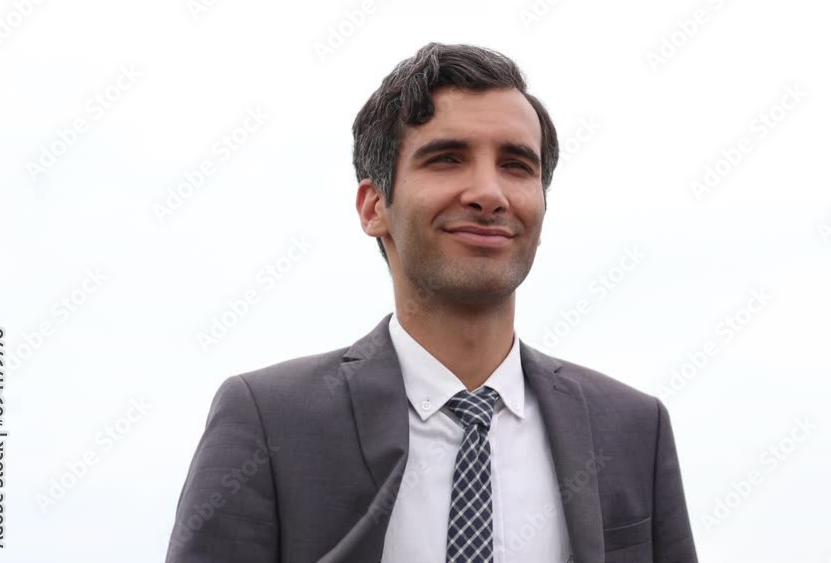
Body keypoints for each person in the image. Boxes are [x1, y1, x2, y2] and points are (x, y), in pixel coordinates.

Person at [165, 41, 698, 563]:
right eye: (447, 159)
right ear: (374, 206)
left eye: (516, 165)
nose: (489, 192)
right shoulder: (271, 419)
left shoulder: (632, 429)